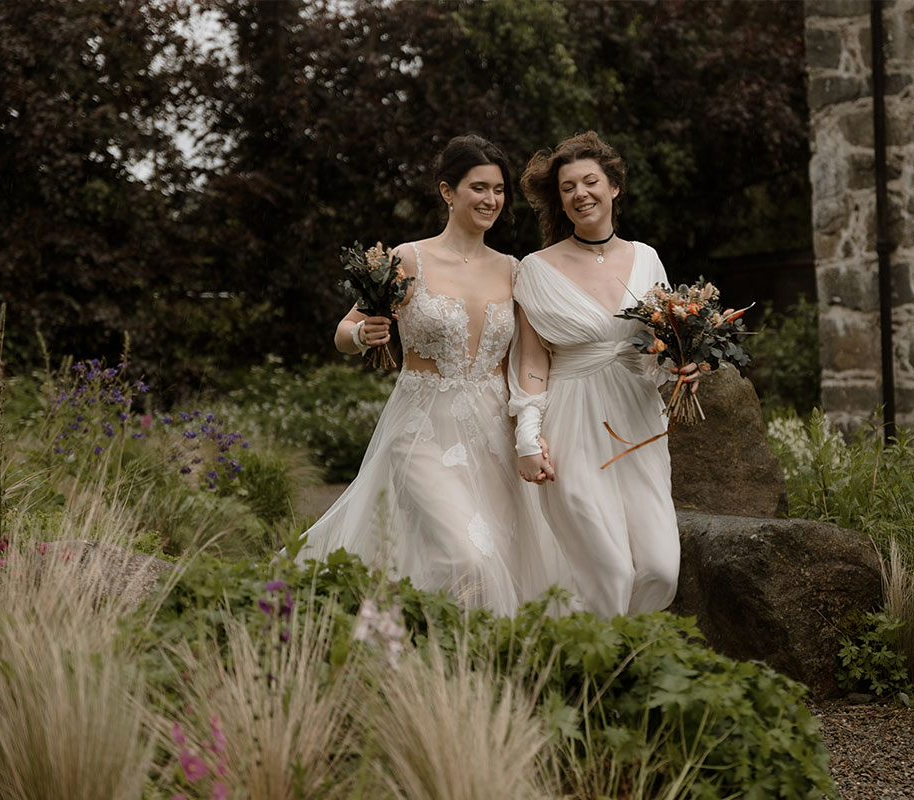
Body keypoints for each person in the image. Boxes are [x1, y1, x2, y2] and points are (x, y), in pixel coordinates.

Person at [294, 134, 567, 616]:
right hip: (422, 431)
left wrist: (530, 433)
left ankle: (451, 668)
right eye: (478, 187)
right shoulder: (408, 260)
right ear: (447, 192)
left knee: (498, 559)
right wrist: (364, 336)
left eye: (499, 190)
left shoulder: (513, 269)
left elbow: (524, 362)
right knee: (469, 557)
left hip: (493, 438)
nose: (491, 200)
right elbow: (344, 330)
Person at [510, 131, 700, 617]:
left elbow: (659, 345)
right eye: (568, 187)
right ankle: (596, 681)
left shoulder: (647, 257)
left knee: (659, 568)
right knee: (608, 571)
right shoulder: (535, 268)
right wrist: (528, 436)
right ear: (560, 199)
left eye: (590, 181)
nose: (580, 194)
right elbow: (533, 361)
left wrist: (682, 366)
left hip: (637, 422)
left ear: (613, 186)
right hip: (571, 424)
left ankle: (624, 662)